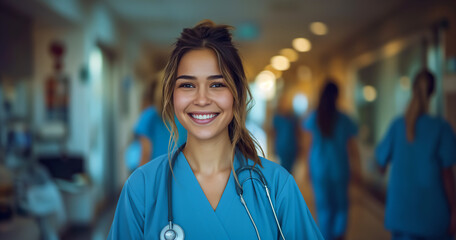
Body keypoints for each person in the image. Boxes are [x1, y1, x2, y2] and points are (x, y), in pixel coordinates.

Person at [108, 20, 323, 240]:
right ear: (172, 96)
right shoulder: (142, 187)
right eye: (187, 85)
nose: (202, 99)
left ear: (236, 94)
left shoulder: (276, 186)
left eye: (217, 84)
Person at [375, 69, 456, 240]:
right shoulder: (442, 128)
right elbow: (447, 174)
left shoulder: (397, 126)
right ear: (433, 93)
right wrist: (454, 210)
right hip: (433, 219)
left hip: (400, 215)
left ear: (412, 89)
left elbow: (380, 166)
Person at [301, 80, 360, 240]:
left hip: (319, 170)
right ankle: (338, 235)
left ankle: (326, 236)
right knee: (341, 207)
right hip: (339, 170)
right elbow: (353, 148)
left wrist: (307, 168)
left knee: (324, 209)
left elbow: (308, 146)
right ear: (337, 96)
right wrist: (358, 168)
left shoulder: (314, 117)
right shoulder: (344, 119)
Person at [125, 78, 187, 171]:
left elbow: (145, 153)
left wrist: (141, 182)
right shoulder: (183, 116)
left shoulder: (149, 116)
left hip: (157, 172)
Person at [272, 93, 299, 173]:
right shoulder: (277, 117)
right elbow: (274, 133)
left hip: (292, 147)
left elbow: (297, 132)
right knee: (283, 169)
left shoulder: (293, 117)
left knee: (290, 169)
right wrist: (273, 147)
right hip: (281, 147)